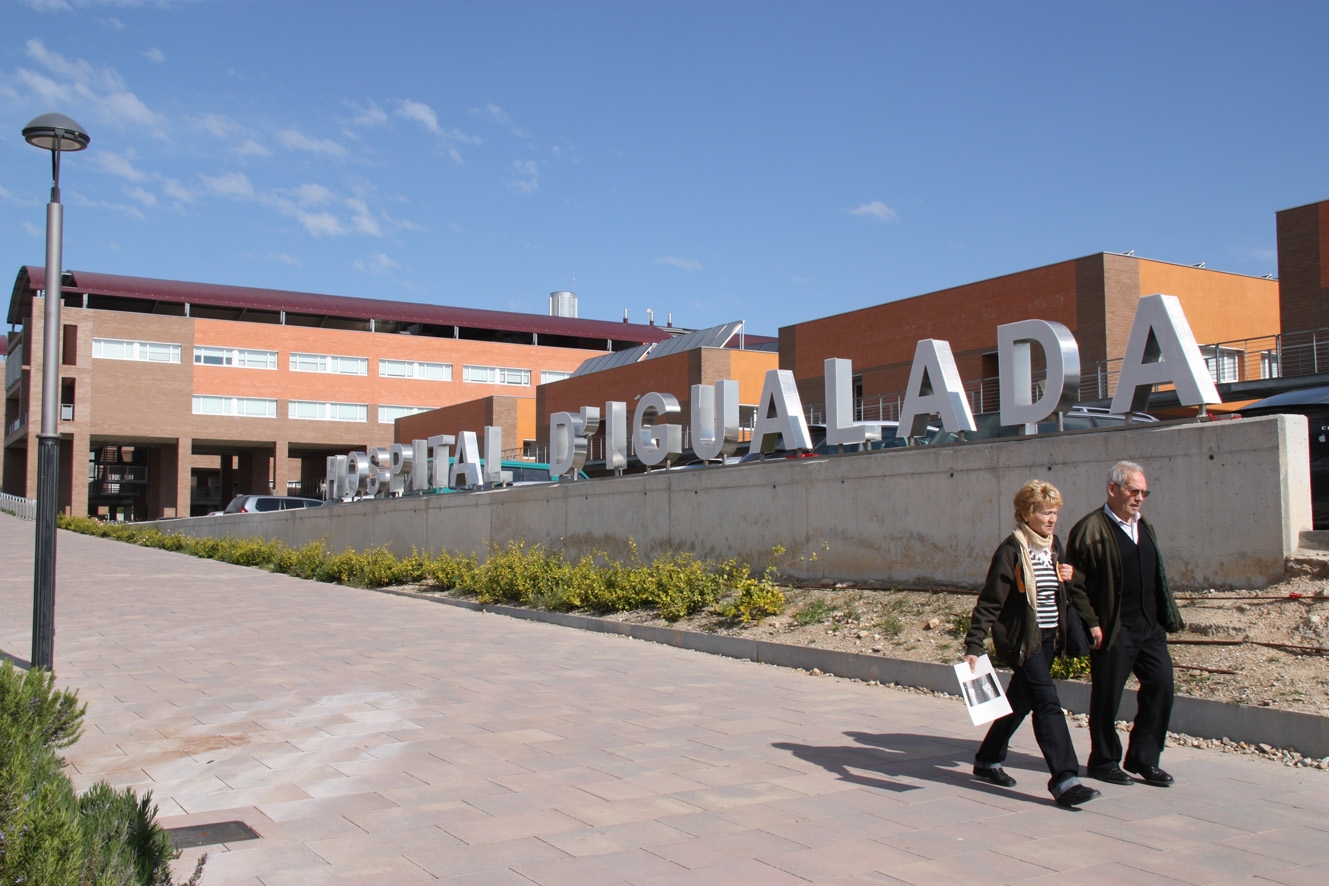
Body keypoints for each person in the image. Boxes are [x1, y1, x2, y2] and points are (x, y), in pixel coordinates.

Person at [963, 479, 1104, 808]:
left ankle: (987, 759)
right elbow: (990, 602)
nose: (1052, 519)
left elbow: (1058, 597)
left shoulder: (1053, 547)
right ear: (1027, 514)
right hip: (1025, 643)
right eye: (1045, 513)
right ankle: (1065, 780)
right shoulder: (1012, 551)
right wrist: (974, 646)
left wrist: (1067, 580)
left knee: (1020, 701)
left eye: (1055, 512)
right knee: (1048, 704)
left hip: (1050, 637)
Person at [1065, 461, 1184, 788]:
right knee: (1107, 697)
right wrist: (1092, 623)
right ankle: (1104, 761)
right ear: (1113, 489)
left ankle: (1144, 758)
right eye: (1134, 490)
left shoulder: (1144, 526)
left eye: (1144, 492)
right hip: (1113, 628)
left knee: (1161, 687)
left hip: (1149, 627)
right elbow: (1075, 582)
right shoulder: (1090, 529)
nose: (1140, 498)